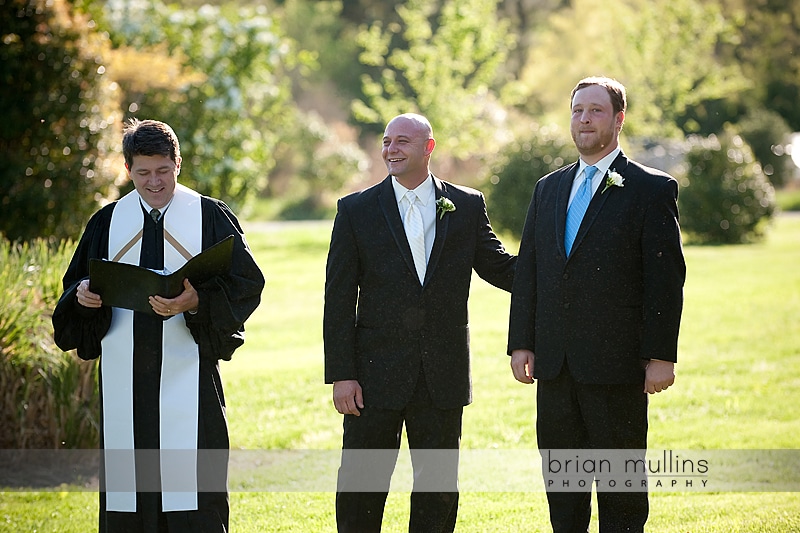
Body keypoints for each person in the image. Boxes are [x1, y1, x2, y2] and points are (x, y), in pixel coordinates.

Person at [52, 118, 264, 532]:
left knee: (195, 493)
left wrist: (197, 300)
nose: (154, 182)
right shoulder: (106, 222)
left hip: (191, 377)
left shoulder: (209, 216)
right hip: (124, 379)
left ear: (178, 163)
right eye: (143, 173)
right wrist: (83, 297)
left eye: (163, 171)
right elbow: (73, 290)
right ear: (128, 169)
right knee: (129, 489)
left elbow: (247, 283)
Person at [507, 77, 686, 532]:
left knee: (620, 493)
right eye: (577, 111)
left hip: (617, 366)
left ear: (618, 119)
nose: (584, 119)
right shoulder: (548, 188)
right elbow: (530, 270)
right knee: (562, 490)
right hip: (555, 366)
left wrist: (662, 355)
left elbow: (665, 282)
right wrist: (521, 343)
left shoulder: (651, 189)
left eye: (595, 111)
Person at [324, 113, 516, 532]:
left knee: (439, 488)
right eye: (387, 141)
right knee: (361, 485)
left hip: (442, 374)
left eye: (403, 142)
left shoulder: (466, 205)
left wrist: (555, 266)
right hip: (372, 376)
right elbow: (337, 300)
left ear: (428, 148)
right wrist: (342, 374)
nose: (391, 149)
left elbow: (500, 268)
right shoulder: (355, 210)